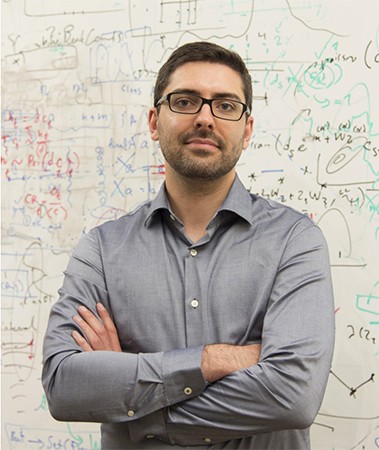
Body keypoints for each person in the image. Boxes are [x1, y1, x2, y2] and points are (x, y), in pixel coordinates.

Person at [42, 41, 335, 449]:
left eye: (226, 105)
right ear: (153, 121)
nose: (205, 118)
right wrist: (214, 360)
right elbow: (64, 387)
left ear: (247, 129)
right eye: (185, 101)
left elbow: (292, 397)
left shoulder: (294, 240)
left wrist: (132, 391)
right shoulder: (101, 251)